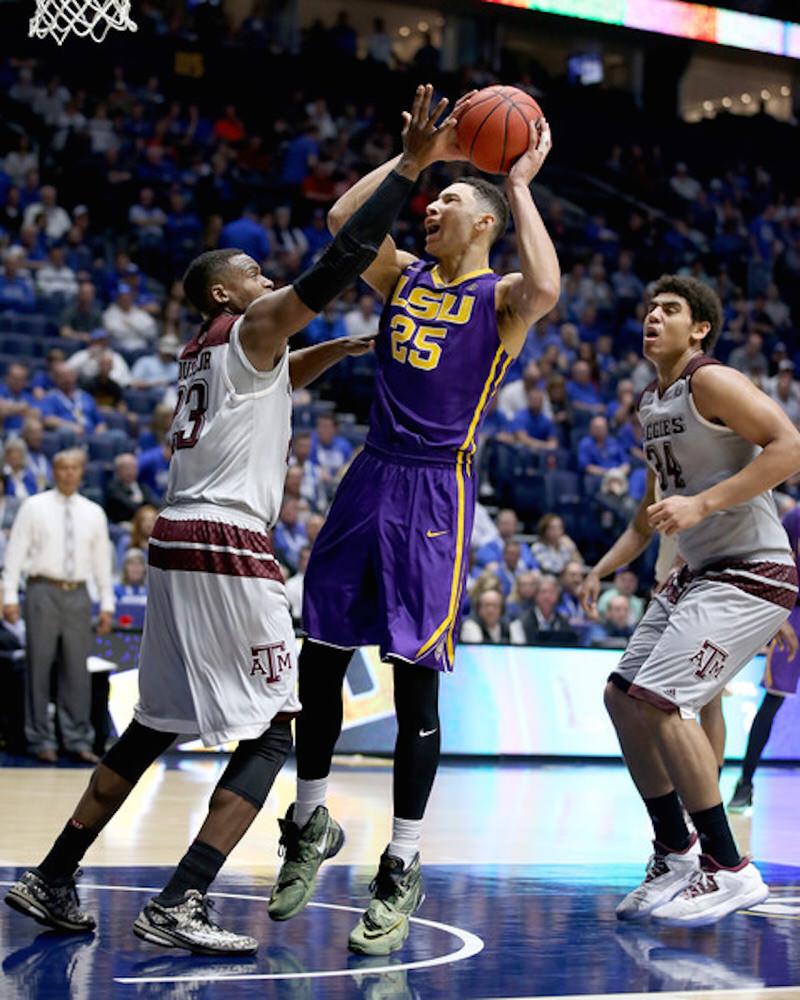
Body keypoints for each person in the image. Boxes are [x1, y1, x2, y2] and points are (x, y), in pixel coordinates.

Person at [3, 86, 450, 956]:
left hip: (174, 539)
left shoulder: (214, 352)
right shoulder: (248, 321)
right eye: (252, 272)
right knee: (278, 727)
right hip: (224, 543)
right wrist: (410, 167)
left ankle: (53, 875)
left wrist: (348, 350)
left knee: (151, 724)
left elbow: (278, 377)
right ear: (224, 289)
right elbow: (342, 256)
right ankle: (182, 899)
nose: (266, 277)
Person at [268, 84, 559, 955]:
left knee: (414, 684)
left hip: (438, 491)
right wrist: (415, 161)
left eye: (450, 202)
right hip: (369, 475)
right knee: (318, 658)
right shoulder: (402, 275)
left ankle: (401, 861)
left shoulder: (501, 298)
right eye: (434, 201)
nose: (434, 208)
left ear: (483, 226)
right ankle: (311, 823)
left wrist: (515, 184)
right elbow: (341, 222)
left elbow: (546, 284)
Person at [578, 274, 800, 927]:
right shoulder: (652, 401)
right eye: (649, 307)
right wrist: (603, 567)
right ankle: (675, 850)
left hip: (750, 568)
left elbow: (789, 446)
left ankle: (729, 869)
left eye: (669, 310)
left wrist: (704, 503)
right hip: (699, 572)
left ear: (699, 327)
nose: (653, 316)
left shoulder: (711, 379)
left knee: (665, 701)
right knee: (622, 696)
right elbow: (650, 514)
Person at [2, 449, 114, 764]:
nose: (68, 473)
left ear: (81, 472)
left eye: (74, 468)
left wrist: (106, 602)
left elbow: (102, 562)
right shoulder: (33, 507)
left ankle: (77, 739)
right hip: (41, 589)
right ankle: (40, 739)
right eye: (63, 467)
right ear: (54, 470)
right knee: (38, 667)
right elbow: (15, 554)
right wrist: (9, 595)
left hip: (78, 593)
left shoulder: (93, 512)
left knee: (76, 670)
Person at [728, 504, 800, 811]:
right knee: (772, 700)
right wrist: (777, 613)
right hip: (794, 611)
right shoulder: (795, 517)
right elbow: (775, 564)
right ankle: (745, 782)